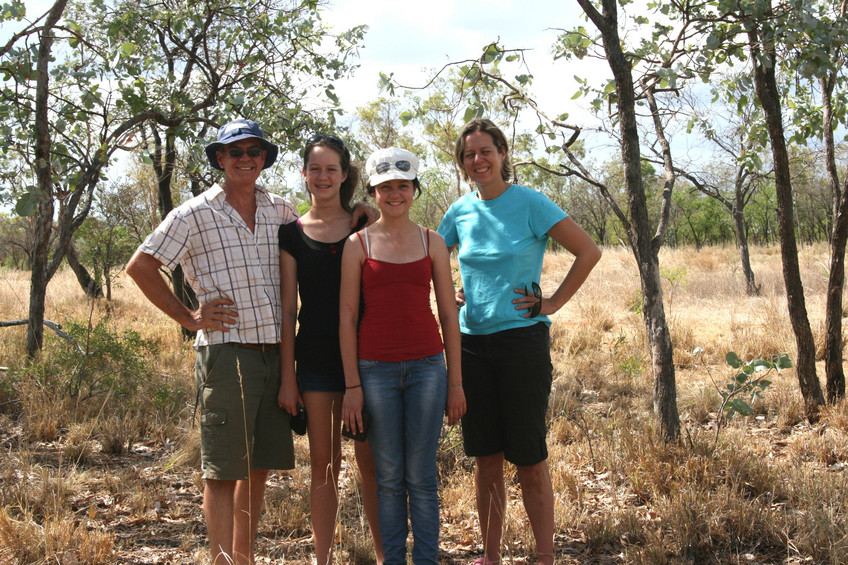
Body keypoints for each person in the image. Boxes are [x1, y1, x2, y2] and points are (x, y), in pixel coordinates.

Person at [126, 119, 372, 565]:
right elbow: (140, 266)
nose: (245, 159)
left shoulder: (280, 211)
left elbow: (324, 233)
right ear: (219, 159)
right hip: (225, 352)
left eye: (253, 152)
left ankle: (244, 557)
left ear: (264, 160)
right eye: (234, 151)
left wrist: (363, 215)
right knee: (222, 471)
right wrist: (188, 316)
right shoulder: (194, 213)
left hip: (276, 356)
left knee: (257, 467)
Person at [437, 119, 601, 565]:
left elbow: (588, 250)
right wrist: (447, 292)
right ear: (462, 162)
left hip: (521, 343)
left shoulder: (529, 202)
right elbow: (430, 258)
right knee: (486, 459)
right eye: (469, 154)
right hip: (470, 347)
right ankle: (491, 557)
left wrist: (551, 303)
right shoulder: (459, 211)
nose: (478, 160)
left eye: (486, 151)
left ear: (503, 153)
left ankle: (544, 555)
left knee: (528, 456)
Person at [339, 147, 466, 565]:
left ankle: (426, 559)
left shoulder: (433, 241)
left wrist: (456, 383)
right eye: (386, 187)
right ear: (374, 192)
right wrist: (352, 386)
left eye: (403, 186)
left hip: (428, 367)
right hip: (374, 371)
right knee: (390, 478)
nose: (395, 194)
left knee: (423, 477)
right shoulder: (358, 245)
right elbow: (347, 318)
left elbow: (449, 313)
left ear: (414, 189)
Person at [277, 133, 383, 565]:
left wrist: (372, 213)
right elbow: (287, 311)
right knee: (325, 466)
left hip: (371, 358)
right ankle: (322, 558)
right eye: (315, 169)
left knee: (373, 464)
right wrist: (289, 378)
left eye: (331, 169)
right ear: (304, 175)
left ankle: (385, 556)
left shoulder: (365, 226)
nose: (323, 176)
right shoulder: (291, 234)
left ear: (344, 176)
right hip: (316, 363)